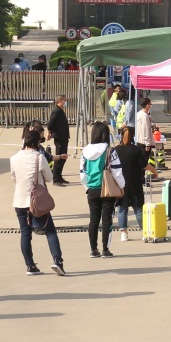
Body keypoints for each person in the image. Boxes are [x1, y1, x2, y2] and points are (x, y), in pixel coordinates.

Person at [11, 127, 67, 276]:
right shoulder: (39, 157)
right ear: (36, 143)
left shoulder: (14, 158)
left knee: (25, 234)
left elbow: (14, 178)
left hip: (19, 201)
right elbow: (49, 178)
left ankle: (30, 266)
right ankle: (57, 261)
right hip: (37, 202)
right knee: (50, 231)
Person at [79, 122, 126, 258]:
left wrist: (87, 187)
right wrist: (122, 186)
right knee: (107, 220)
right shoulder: (110, 151)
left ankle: (93, 249)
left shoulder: (85, 151)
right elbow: (117, 171)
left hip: (92, 189)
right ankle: (106, 249)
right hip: (107, 189)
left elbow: (82, 172)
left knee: (93, 220)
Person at [113, 126, 146, 241]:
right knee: (138, 209)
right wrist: (154, 170)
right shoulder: (136, 150)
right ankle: (144, 232)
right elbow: (144, 165)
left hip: (120, 184)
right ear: (133, 136)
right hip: (135, 183)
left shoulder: (116, 150)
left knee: (122, 210)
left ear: (121, 135)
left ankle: (124, 233)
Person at [46, 94, 71, 186]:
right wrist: (49, 133)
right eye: (64, 100)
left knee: (63, 158)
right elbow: (50, 123)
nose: (65, 102)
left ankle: (59, 176)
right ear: (60, 101)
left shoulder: (60, 111)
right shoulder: (56, 111)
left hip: (63, 137)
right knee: (59, 157)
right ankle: (56, 179)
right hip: (59, 137)